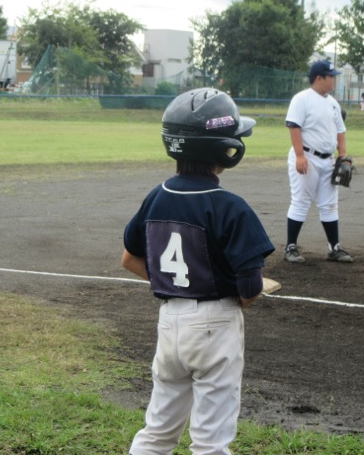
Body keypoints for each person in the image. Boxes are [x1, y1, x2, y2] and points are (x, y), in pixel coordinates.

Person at [122, 87, 275, 455]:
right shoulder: (231, 207)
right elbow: (249, 287)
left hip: (170, 323)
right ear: (222, 148)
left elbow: (129, 259)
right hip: (215, 325)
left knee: (157, 432)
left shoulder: (156, 196)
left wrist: (181, 284)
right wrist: (249, 292)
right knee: (210, 442)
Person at [283, 60, 353, 264]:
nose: (334, 80)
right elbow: (294, 127)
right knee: (301, 201)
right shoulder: (302, 99)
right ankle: (290, 247)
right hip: (307, 157)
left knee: (329, 204)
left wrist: (343, 156)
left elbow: (340, 131)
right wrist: (300, 156)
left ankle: (334, 248)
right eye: (331, 76)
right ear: (319, 78)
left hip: (327, 160)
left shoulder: (332, 103)